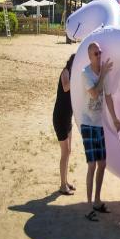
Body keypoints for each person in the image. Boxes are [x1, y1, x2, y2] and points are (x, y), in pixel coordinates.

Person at [81, 42, 120, 222]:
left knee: (103, 164)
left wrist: (115, 118)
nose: (99, 56)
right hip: (87, 124)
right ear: (90, 56)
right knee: (92, 165)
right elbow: (95, 94)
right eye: (96, 54)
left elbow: (108, 97)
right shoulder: (85, 73)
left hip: (98, 124)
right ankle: (88, 206)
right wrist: (103, 74)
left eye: (100, 53)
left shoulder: (104, 73)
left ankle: (97, 201)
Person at [52, 54, 76, 195]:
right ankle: (62, 185)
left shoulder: (74, 75)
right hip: (60, 117)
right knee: (65, 152)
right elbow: (66, 87)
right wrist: (76, 76)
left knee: (68, 151)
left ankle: (65, 181)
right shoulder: (65, 72)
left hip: (67, 118)